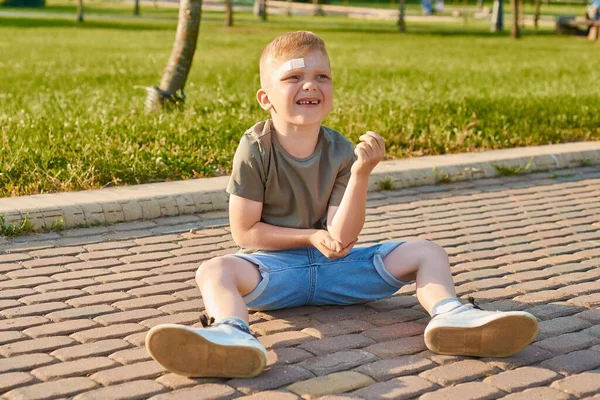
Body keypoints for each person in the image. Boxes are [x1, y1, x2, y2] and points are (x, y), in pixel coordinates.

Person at [145, 31, 539, 379]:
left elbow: (342, 237)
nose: (309, 85)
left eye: (321, 76)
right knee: (214, 269)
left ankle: (452, 316)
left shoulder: (339, 149)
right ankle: (231, 333)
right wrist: (311, 236)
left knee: (427, 252)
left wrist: (362, 173)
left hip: (337, 269)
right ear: (266, 98)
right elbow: (244, 232)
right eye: (294, 77)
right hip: (272, 270)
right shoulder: (255, 148)